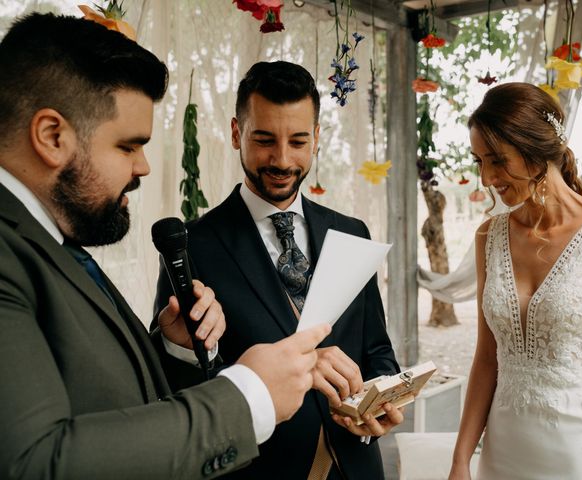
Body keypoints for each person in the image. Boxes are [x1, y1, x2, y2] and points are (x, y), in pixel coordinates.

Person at [0, 13, 331, 479]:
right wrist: (248, 394)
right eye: (128, 146)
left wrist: (174, 350)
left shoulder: (48, 243)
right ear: (52, 137)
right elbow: (32, 463)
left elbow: (105, 398)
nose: (144, 168)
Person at [154, 60, 402, 479]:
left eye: (299, 141)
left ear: (318, 138)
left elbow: (376, 351)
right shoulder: (192, 246)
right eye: (265, 139)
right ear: (237, 133)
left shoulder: (353, 232)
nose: (283, 160)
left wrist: (378, 407)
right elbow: (180, 388)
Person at [448, 82, 582, 479]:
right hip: (502, 456)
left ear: (535, 150)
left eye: (497, 161)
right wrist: (460, 460)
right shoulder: (489, 236)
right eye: (479, 161)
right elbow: (487, 358)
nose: (487, 178)